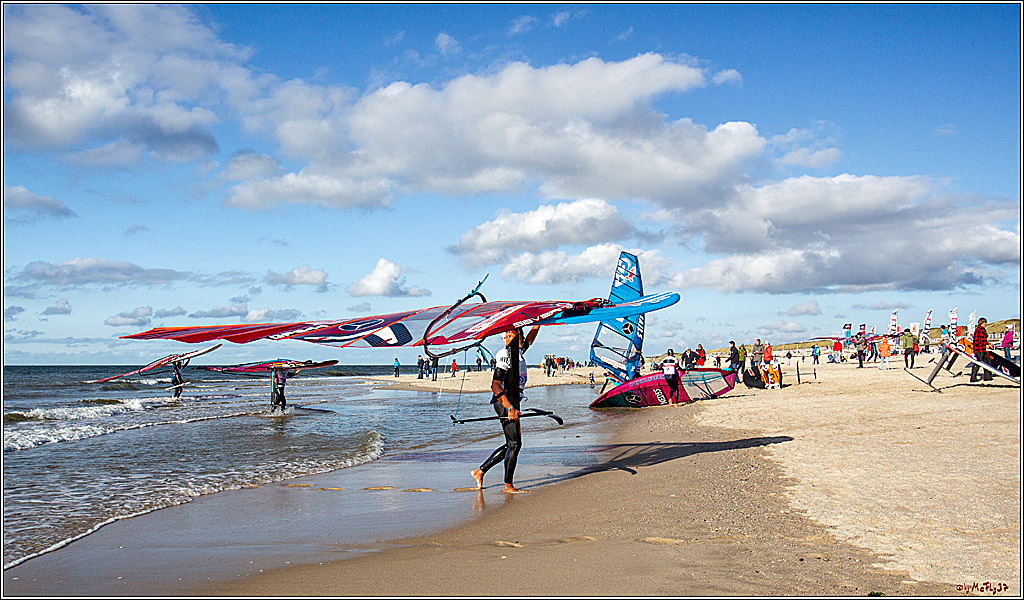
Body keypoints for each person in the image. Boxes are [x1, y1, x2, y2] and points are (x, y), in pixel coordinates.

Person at [472, 325, 540, 494]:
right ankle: (507, 485)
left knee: (513, 443)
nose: (523, 337)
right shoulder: (505, 355)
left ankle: (480, 471)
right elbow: (495, 385)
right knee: (515, 443)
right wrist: (510, 408)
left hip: (514, 400)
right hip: (504, 401)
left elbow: (530, 339)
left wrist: (538, 323)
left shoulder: (518, 352)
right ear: (511, 336)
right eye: (520, 334)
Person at [970, 317, 993, 382]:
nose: (986, 324)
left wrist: (988, 344)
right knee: (978, 363)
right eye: (985, 322)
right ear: (983, 323)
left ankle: (987, 377)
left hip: (982, 349)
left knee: (987, 362)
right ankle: (973, 378)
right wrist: (985, 345)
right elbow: (978, 341)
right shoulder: (979, 330)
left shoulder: (982, 329)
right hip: (979, 349)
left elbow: (983, 339)